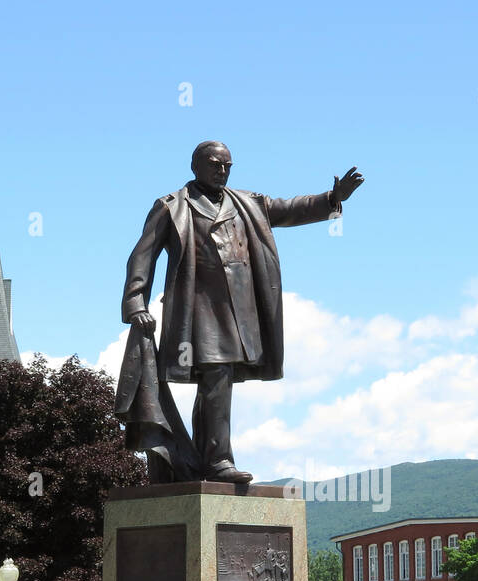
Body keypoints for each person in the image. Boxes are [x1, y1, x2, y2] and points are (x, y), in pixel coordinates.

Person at [120, 141, 363, 483]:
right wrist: (135, 302)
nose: (222, 170)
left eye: (227, 166)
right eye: (215, 164)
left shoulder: (248, 203)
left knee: (218, 382)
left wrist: (332, 199)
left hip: (239, 310)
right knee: (216, 376)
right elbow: (142, 256)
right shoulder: (171, 206)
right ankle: (217, 460)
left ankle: (208, 460)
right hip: (195, 308)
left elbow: (290, 209)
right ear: (196, 167)